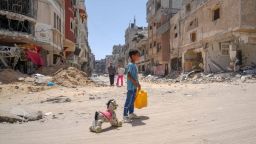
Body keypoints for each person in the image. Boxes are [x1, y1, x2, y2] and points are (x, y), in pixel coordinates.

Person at [123, 49, 141, 122]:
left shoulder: (134, 65)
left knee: (132, 101)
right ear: (133, 56)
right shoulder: (130, 65)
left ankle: (131, 113)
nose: (138, 57)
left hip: (134, 87)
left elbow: (135, 76)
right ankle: (125, 116)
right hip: (131, 87)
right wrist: (136, 83)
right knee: (128, 101)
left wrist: (138, 84)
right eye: (137, 55)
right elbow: (129, 75)